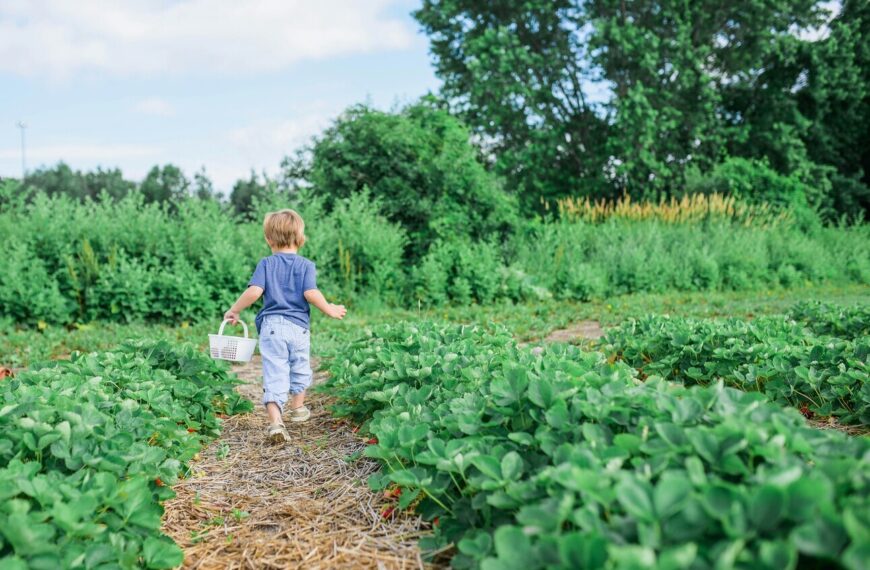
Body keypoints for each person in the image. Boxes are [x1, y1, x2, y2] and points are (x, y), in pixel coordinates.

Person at [223, 209, 347, 443]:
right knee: (300, 366)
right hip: (298, 327)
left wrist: (235, 309)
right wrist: (329, 308)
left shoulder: (266, 264)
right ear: (301, 238)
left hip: (272, 327)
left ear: (269, 239)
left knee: (275, 372)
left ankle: (276, 423)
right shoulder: (306, 265)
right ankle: (298, 407)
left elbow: (254, 291)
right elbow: (311, 293)